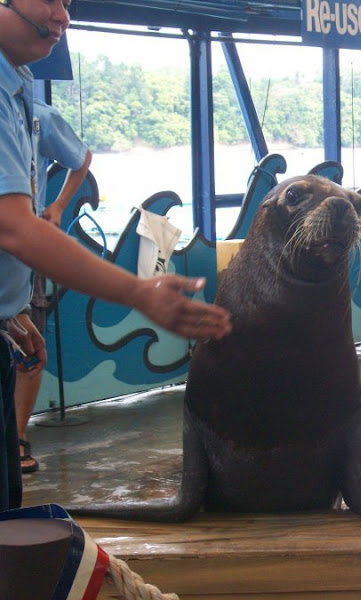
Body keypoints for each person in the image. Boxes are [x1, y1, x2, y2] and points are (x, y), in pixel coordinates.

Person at [0, 0, 232, 512]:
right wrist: (137, 292)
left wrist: (8, 311)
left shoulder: (21, 93)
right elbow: (13, 226)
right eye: (49, 0)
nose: (63, 16)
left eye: (67, 3)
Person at [15, 98, 92, 473]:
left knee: (28, 343)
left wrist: (58, 206)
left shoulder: (37, 113)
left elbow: (81, 158)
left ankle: (17, 437)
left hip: (26, 249)